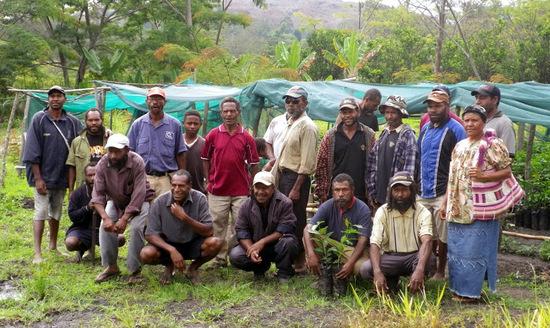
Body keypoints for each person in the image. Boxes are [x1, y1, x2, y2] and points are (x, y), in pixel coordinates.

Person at [443, 104, 516, 302]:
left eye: (474, 120)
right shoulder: (460, 145)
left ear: (484, 122)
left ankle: (471, 293)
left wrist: (483, 176)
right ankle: (458, 289)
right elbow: (453, 177)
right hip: (457, 207)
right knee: (457, 250)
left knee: (473, 251)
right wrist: (445, 203)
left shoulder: (492, 144)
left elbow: (507, 171)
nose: (469, 124)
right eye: (466, 120)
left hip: (479, 209)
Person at [23, 85, 83, 264]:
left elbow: (84, 137)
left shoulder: (71, 121)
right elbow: (32, 150)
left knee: (56, 212)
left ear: (64, 99)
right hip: (43, 177)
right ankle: (37, 252)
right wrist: (38, 178)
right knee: (40, 212)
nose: (55, 99)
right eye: (52, 96)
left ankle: (53, 246)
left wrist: (106, 133)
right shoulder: (39, 119)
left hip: (61, 176)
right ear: (48, 100)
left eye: (59, 96)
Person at [201, 97, 260, 267]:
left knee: (239, 225)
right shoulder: (213, 134)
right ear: (221, 113)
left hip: (241, 189)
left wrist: (253, 185)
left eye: (232, 111)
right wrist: (208, 180)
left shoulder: (246, 137)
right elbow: (205, 158)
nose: (229, 114)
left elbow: (254, 163)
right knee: (217, 224)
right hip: (217, 189)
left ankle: (236, 257)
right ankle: (219, 259)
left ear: (238, 112)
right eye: (225, 111)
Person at [91, 134, 155, 283]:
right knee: (104, 227)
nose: (112, 155)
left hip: (139, 201)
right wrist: (106, 218)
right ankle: (111, 267)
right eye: (110, 151)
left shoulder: (137, 162)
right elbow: (98, 194)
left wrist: (125, 219)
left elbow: (139, 193)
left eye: (117, 151)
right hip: (115, 199)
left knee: (136, 228)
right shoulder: (102, 163)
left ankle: (134, 270)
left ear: (126, 150)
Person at [140, 170, 222, 284]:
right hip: (168, 244)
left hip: (192, 242)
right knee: (146, 254)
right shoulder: (160, 201)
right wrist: (172, 250)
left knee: (216, 243)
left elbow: (209, 231)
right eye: (174, 185)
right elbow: (150, 234)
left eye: (181, 186)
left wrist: (184, 217)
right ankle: (169, 265)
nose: (177, 189)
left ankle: (193, 268)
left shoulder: (200, 199)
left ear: (190, 186)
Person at [417, 90, 466, 280]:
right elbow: (420, 158)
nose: (433, 109)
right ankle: (425, 267)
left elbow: (461, 163)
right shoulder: (426, 128)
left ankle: (440, 270)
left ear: (447, 106)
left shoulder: (456, 129)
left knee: (444, 234)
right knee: (424, 231)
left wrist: (450, 195)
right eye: (430, 106)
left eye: (437, 105)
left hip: (443, 191)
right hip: (423, 189)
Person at [360, 171, 435, 295]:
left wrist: (420, 269)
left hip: (414, 257)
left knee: (429, 260)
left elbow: (427, 241)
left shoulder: (423, 212)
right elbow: (375, 244)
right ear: (391, 192)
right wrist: (377, 272)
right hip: (391, 257)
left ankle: (416, 285)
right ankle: (391, 283)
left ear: (412, 191)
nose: (400, 194)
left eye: (404, 190)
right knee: (366, 269)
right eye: (396, 190)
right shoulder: (382, 212)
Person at [272, 86, 319, 272]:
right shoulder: (292, 122)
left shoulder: (307, 126)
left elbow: (307, 162)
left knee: (297, 219)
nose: (291, 104)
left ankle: (299, 262)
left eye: (296, 101)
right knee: (284, 217)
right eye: (288, 101)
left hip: (296, 179)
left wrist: (297, 188)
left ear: (305, 103)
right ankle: (289, 259)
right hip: (284, 177)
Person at [229, 171, 298, 283]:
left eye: (265, 188)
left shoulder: (285, 202)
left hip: (278, 245)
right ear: (253, 188)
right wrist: (251, 250)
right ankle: (259, 268)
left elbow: (285, 228)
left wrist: (262, 242)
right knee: (236, 255)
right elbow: (241, 231)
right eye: (257, 187)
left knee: (289, 243)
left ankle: (284, 272)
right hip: (256, 245)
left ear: (273, 188)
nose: (260, 192)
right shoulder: (246, 205)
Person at [304, 174, 372, 282]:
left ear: (352, 190)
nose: (340, 194)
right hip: (333, 248)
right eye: (337, 190)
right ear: (332, 192)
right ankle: (322, 278)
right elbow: (307, 229)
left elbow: (362, 241)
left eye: (345, 190)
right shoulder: (327, 205)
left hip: (354, 250)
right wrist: (311, 254)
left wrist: (350, 264)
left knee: (363, 268)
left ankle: (351, 279)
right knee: (310, 236)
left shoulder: (363, 209)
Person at [128, 87, 187, 198]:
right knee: (144, 211)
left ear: (165, 102)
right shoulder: (138, 124)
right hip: (144, 178)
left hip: (166, 179)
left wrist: (182, 177)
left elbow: (180, 153)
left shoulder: (174, 124)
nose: (155, 102)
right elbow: (130, 153)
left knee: (165, 211)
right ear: (147, 101)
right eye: (152, 99)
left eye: (159, 99)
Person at [315, 98, 375, 204]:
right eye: (344, 112)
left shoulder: (368, 135)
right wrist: (323, 191)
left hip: (360, 192)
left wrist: (371, 191)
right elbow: (321, 164)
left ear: (358, 112)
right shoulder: (331, 136)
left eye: (350, 112)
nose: (347, 116)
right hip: (337, 192)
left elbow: (374, 165)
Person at [65, 164, 125, 261]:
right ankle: (82, 249)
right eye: (89, 175)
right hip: (82, 229)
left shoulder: (109, 192)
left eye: (95, 175)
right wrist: (87, 208)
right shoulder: (78, 193)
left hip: (103, 228)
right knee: (71, 243)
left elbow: (118, 210)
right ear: (85, 176)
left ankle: (109, 253)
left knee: (120, 239)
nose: (93, 178)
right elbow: (72, 216)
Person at [366, 95, 416, 211]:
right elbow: (373, 163)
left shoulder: (407, 135)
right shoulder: (384, 133)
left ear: (401, 114)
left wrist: (402, 195)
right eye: (387, 112)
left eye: (393, 113)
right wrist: (372, 189)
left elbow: (410, 170)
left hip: (397, 197)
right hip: (379, 194)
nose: (389, 116)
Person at [66, 108, 108, 193]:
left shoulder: (111, 140)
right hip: (84, 188)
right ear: (85, 121)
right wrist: (71, 190)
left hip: (106, 187)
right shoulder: (77, 142)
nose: (93, 123)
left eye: (96, 120)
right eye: (90, 120)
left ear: (102, 120)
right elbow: (72, 166)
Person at [472, 84, 516, 157]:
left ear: (495, 100)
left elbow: (508, 157)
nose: (477, 102)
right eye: (476, 97)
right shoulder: (474, 121)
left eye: (482, 98)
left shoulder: (504, 123)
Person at [182, 110, 206, 194]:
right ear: (183, 123)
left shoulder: (204, 144)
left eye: (195, 124)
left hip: (198, 188)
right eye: (189, 123)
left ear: (200, 124)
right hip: (179, 187)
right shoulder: (177, 142)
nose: (192, 126)